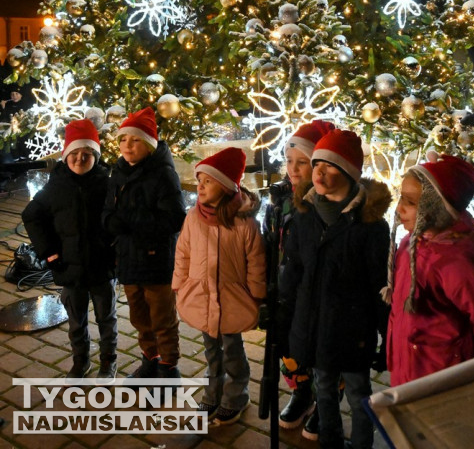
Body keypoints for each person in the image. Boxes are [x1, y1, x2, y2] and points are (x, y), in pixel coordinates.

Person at [280, 129, 391, 449]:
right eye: (317, 165)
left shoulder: (370, 225)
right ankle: (329, 442)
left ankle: (360, 444)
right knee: (323, 389)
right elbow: (295, 268)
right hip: (313, 325)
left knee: (358, 395)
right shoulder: (304, 214)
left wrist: (386, 334)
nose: (319, 172)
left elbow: (378, 285)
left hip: (351, 329)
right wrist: (284, 313)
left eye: (330, 167)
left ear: (347, 173)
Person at [385, 153, 474, 387]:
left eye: (410, 202)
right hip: (408, 359)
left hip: (439, 371)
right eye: (401, 198)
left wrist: (473, 360)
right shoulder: (412, 242)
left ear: (437, 209)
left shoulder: (453, 263)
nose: (399, 207)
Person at [172, 146, 267, 426]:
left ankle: (236, 394)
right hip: (202, 295)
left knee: (232, 348)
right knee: (211, 349)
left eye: (208, 181)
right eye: (199, 181)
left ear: (225, 186)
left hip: (231, 298)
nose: (200, 186)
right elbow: (183, 252)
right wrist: (180, 281)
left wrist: (256, 293)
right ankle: (213, 391)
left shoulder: (244, 222)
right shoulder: (193, 218)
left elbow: (256, 261)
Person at [22, 119, 118, 383]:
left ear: (95, 156)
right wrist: (49, 252)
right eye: (74, 154)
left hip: (101, 266)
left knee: (106, 317)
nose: (80, 158)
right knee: (76, 319)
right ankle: (80, 360)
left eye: (86, 154)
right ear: (66, 156)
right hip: (69, 266)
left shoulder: (106, 183)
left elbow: (119, 219)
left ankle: (108, 361)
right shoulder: (57, 185)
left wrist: (116, 249)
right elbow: (32, 215)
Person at [103, 106, 186, 384]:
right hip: (127, 256)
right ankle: (149, 358)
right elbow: (109, 208)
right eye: (123, 139)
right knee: (139, 316)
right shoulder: (119, 171)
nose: (128, 145)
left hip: (155, 259)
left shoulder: (163, 174)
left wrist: (129, 222)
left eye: (135, 139)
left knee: (162, 319)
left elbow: (174, 218)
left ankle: (168, 368)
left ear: (149, 144)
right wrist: (109, 222)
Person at [263, 120, 335, 437]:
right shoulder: (280, 199)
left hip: (315, 291)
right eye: (289, 160)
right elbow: (269, 239)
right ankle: (301, 390)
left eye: (302, 162)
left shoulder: (327, 204)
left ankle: (326, 400)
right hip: (284, 286)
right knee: (290, 343)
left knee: (318, 344)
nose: (293, 169)